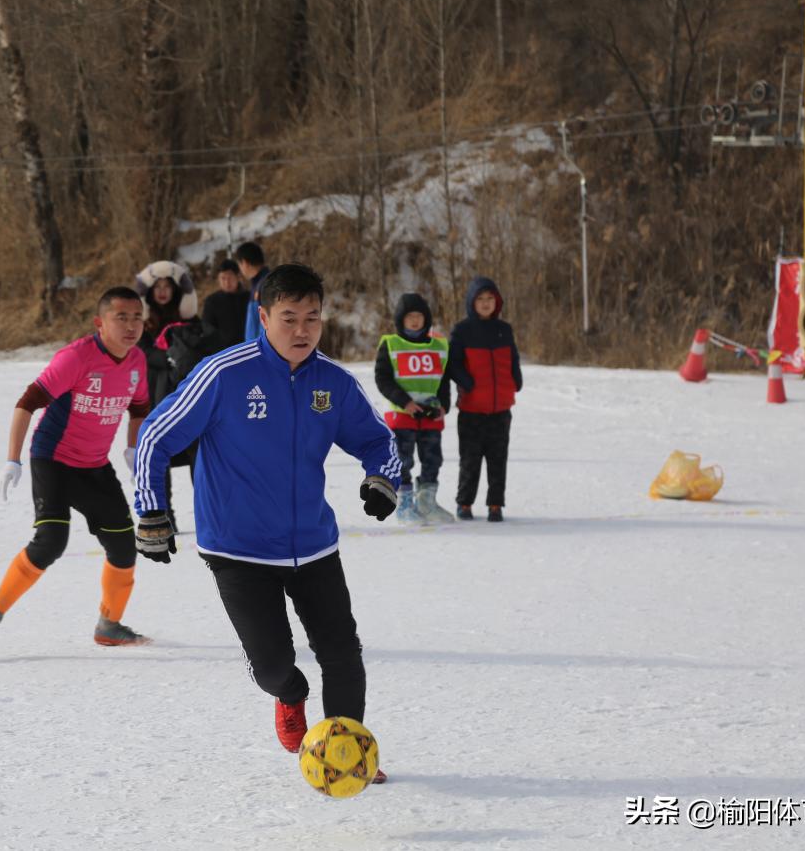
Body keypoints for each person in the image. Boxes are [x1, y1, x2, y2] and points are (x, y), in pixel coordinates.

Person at [133, 263, 398, 782]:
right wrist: (150, 510)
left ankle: (346, 754)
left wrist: (381, 477)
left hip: (313, 546)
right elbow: (155, 435)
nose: (302, 331)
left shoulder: (332, 383)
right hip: (238, 550)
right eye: (289, 318)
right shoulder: (224, 373)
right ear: (263, 317)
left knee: (343, 653)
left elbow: (378, 440)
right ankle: (290, 694)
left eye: (313, 319)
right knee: (274, 664)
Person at [0, 286, 152, 653]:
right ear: (100, 323)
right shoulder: (77, 357)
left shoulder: (136, 362)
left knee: (124, 545)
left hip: (95, 466)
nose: (131, 326)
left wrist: (132, 448)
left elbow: (140, 408)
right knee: (50, 542)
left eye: (137, 318)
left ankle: (109, 626)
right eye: (121, 318)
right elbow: (26, 403)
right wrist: (12, 460)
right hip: (53, 460)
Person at [446, 276, 523, 523]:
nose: (486, 303)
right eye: (481, 299)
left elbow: (513, 359)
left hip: (500, 409)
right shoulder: (462, 330)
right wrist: (467, 384)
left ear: (497, 301)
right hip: (471, 409)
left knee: (498, 459)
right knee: (470, 459)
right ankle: (464, 503)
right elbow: (452, 364)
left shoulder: (505, 329)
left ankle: (495, 505)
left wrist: (516, 380)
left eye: (490, 298)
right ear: (472, 302)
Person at [373, 292, 454, 524]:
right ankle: (404, 505)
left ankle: (427, 502)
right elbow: (383, 379)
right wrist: (404, 401)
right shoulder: (391, 344)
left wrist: (444, 405)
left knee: (433, 459)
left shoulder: (438, 346)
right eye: (410, 317)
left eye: (419, 316)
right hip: (403, 415)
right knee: (402, 460)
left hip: (431, 415)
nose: (415, 321)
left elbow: (443, 379)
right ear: (401, 320)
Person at [135, 261, 201, 531]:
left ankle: (208, 510)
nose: (162, 291)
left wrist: (183, 357)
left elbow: (201, 345)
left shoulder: (189, 321)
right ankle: (165, 514)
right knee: (157, 454)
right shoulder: (142, 322)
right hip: (156, 391)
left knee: (200, 455)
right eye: (158, 287)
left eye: (167, 286)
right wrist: (167, 357)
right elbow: (139, 351)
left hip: (190, 393)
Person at [201, 258, 251, 348]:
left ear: (238, 277)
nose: (227, 282)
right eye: (223, 278)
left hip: (248, 346)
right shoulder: (212, 301)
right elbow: (207, 329)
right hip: (224, 352)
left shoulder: (249, 298)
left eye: (230, 278)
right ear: (218, 279)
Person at [235, 241, 269, 342]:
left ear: (244, 263)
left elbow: (267, 322)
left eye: (239, 265)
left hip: (260, 350)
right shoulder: (259, 283)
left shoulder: (266, 284)